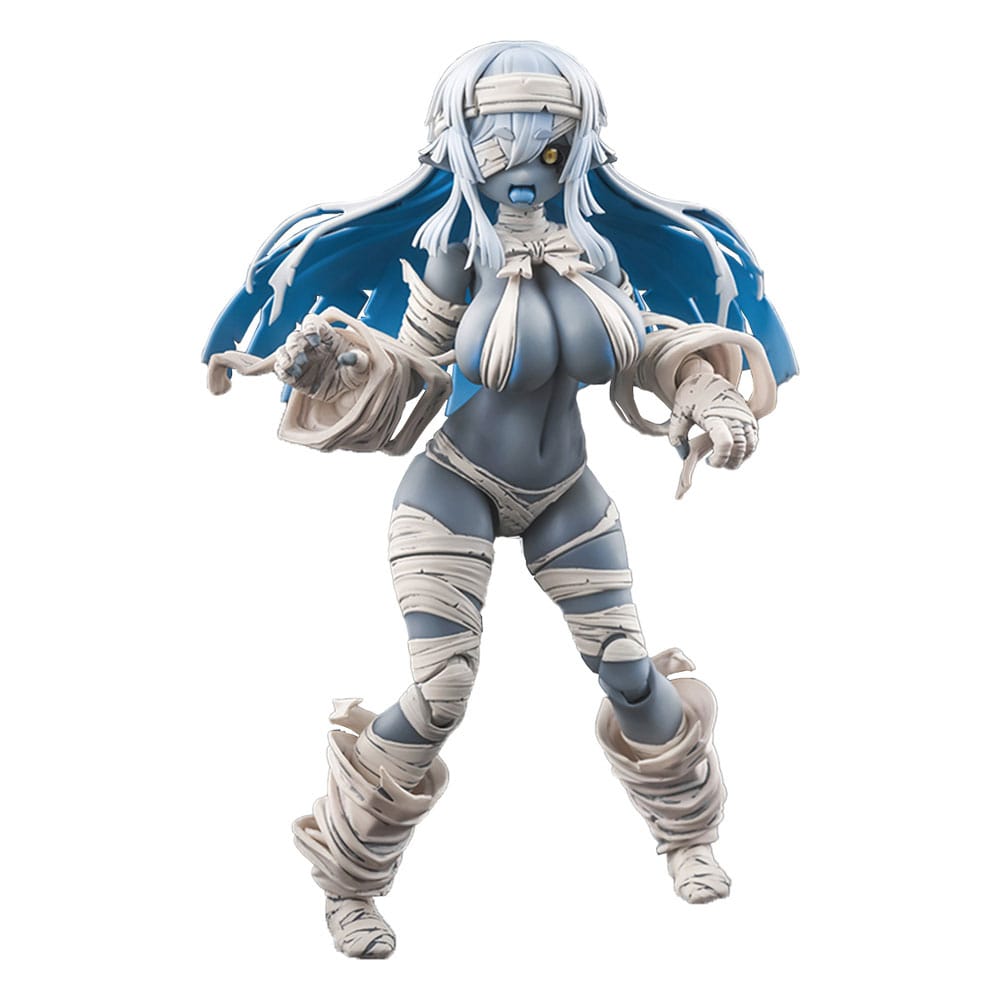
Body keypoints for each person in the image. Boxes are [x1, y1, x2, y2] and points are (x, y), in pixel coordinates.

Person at [204, 40, 796, 959]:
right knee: (441, 690)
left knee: (628, 669)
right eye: (498, 147)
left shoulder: (593, 256)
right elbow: (413, 362)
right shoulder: (454, 256)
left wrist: (706, 393)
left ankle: (689, 835)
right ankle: (350, 881)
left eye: (549, 149)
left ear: (578, 151)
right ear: (461, 148)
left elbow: (647, 347)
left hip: (565, 492)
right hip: (455, 489)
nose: (524, 171)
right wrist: (337, 360)